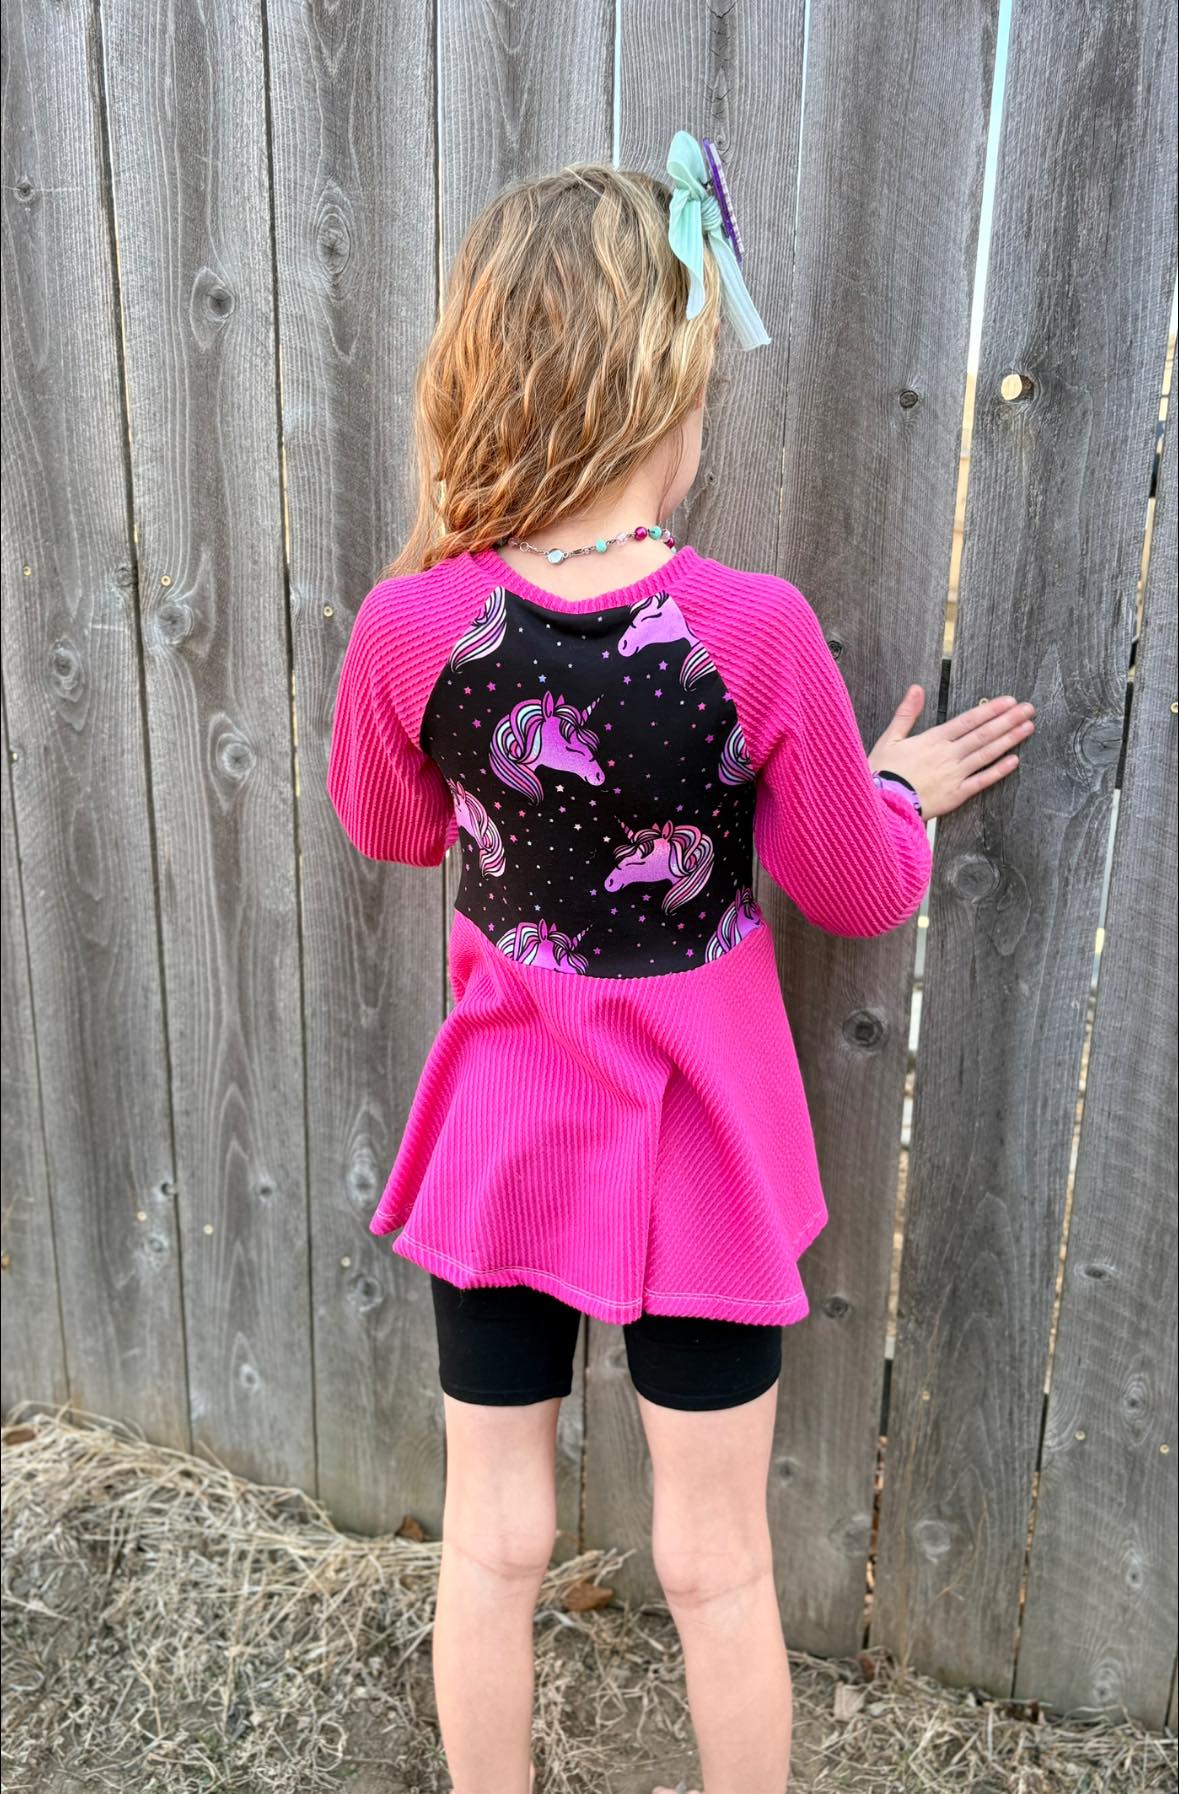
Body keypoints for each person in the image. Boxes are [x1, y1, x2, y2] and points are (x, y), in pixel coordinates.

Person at [326, 133, 1035, 1794]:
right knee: (719, 1569)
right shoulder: (753, 628)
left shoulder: (411, 627)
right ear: (670, 392)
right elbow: (853, 887)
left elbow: (390, 824)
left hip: (504, 1132)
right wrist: (896, 792)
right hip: (700, 1143)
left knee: (491, 1540)